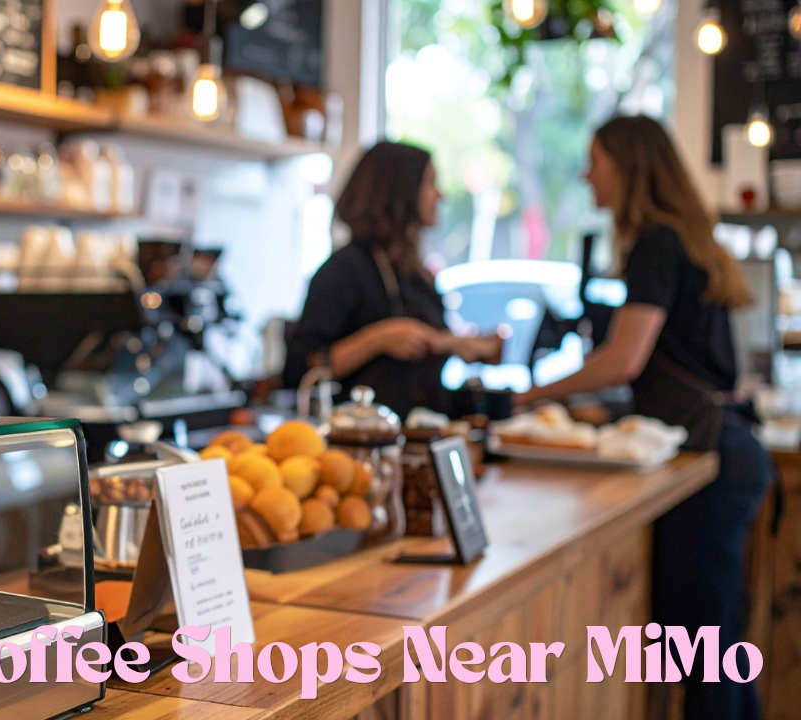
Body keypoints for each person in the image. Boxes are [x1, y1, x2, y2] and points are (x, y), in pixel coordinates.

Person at [515, 115, 769, 720]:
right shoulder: (686, 236)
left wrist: (525, 397)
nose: (586, 173)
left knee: (699, 657)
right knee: (718, 648)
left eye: (595, 160)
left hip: (712, 460)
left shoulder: (655, 242)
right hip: (732, 449)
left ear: (628, 167)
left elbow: (623, 360)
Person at [284, 141, 499, 418]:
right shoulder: (343, 271)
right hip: (363, 444)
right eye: (429, 183)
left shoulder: (415, 275)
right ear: (399, 192)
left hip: (423, 434)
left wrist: (460, 345)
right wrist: (378, 339)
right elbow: (299, 371)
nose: (439, 195)